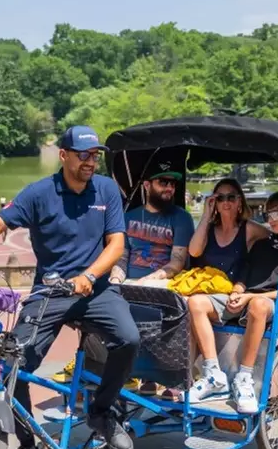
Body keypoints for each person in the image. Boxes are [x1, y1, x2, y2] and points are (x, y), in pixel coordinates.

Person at [0, 125, 140, 449]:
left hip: (97, 289)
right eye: (83, 155)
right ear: (63, 155)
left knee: (129, 338)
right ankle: (28, 445)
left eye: (95, 156)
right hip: (50, 291)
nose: (90, 162)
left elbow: (117, 245)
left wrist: (90, 276)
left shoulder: (107, 190)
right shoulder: (40, 193)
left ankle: (101, 412)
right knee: (14, 363)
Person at [52, 161, 194, 390]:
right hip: (129, 282)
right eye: (163, 182)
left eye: (173, 183)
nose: (170, 188)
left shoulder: (181, 218)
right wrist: (116, 279)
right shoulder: (129, 217)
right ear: (147, 185)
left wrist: (145, 281)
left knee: (151, 302)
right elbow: (122, 257)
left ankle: (152, 375)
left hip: (163, 284)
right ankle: (94, 364)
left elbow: (177, 262)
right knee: (97, 299)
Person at [186, 189, 278, 413]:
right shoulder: (262, 245)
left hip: (272, 303)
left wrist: (250, 297)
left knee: (257, 305)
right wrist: (238, 290)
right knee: (196, 303)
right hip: (245, 299)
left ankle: (244, 377)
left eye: (276, 215)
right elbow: (244, 272)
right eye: (268, 215)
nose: (270, 220)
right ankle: (213, 375)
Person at [187, 178, 269, 281]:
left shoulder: (249, 229)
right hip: (207, 287)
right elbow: (194, 252)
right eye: (220, 198)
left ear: (239, 201)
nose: (226, 202)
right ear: (215, 203)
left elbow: (276, 238)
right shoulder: (207, 229)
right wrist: (206, 215)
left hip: (234, 291)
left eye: (231, 197)